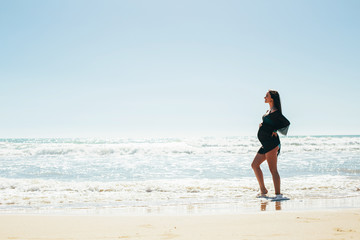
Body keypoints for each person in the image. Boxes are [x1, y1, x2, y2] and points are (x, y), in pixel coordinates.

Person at [251, 90, 290, 200]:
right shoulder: (269, 111)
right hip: (265, 144)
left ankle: (278, 195)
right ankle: (263, 189)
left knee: (273, 170)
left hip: (272, 144)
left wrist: (275, 129)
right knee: (254, 165)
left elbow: (286, 123)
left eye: (267, 96)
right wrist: (262, 125)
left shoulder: (276, 111)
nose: (265, 97)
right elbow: (270, 123)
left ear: (272, 98)